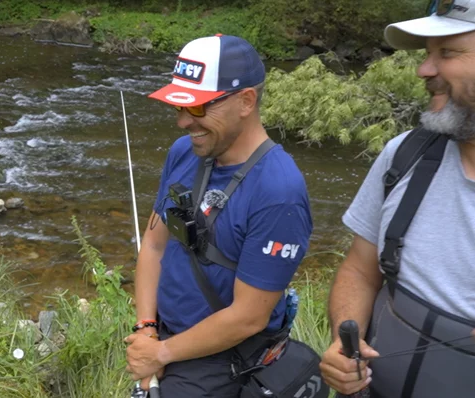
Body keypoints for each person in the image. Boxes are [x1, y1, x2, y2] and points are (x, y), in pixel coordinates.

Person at [124, 34, 315, 396]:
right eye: (179, 108)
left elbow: (248, 316)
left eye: (197, 108)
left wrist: (159, 353)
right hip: (164, 342)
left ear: (246, 101)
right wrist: (146, 328)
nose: (183, 122)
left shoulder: (279, 193)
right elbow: (154, 245)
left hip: (222, 365)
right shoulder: (185, 152)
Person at [319, 1, 475, 397]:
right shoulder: (405, 155)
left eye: (448, 53)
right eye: (426, 54)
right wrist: (343, 342)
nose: (424, 69)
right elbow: (359, 271)